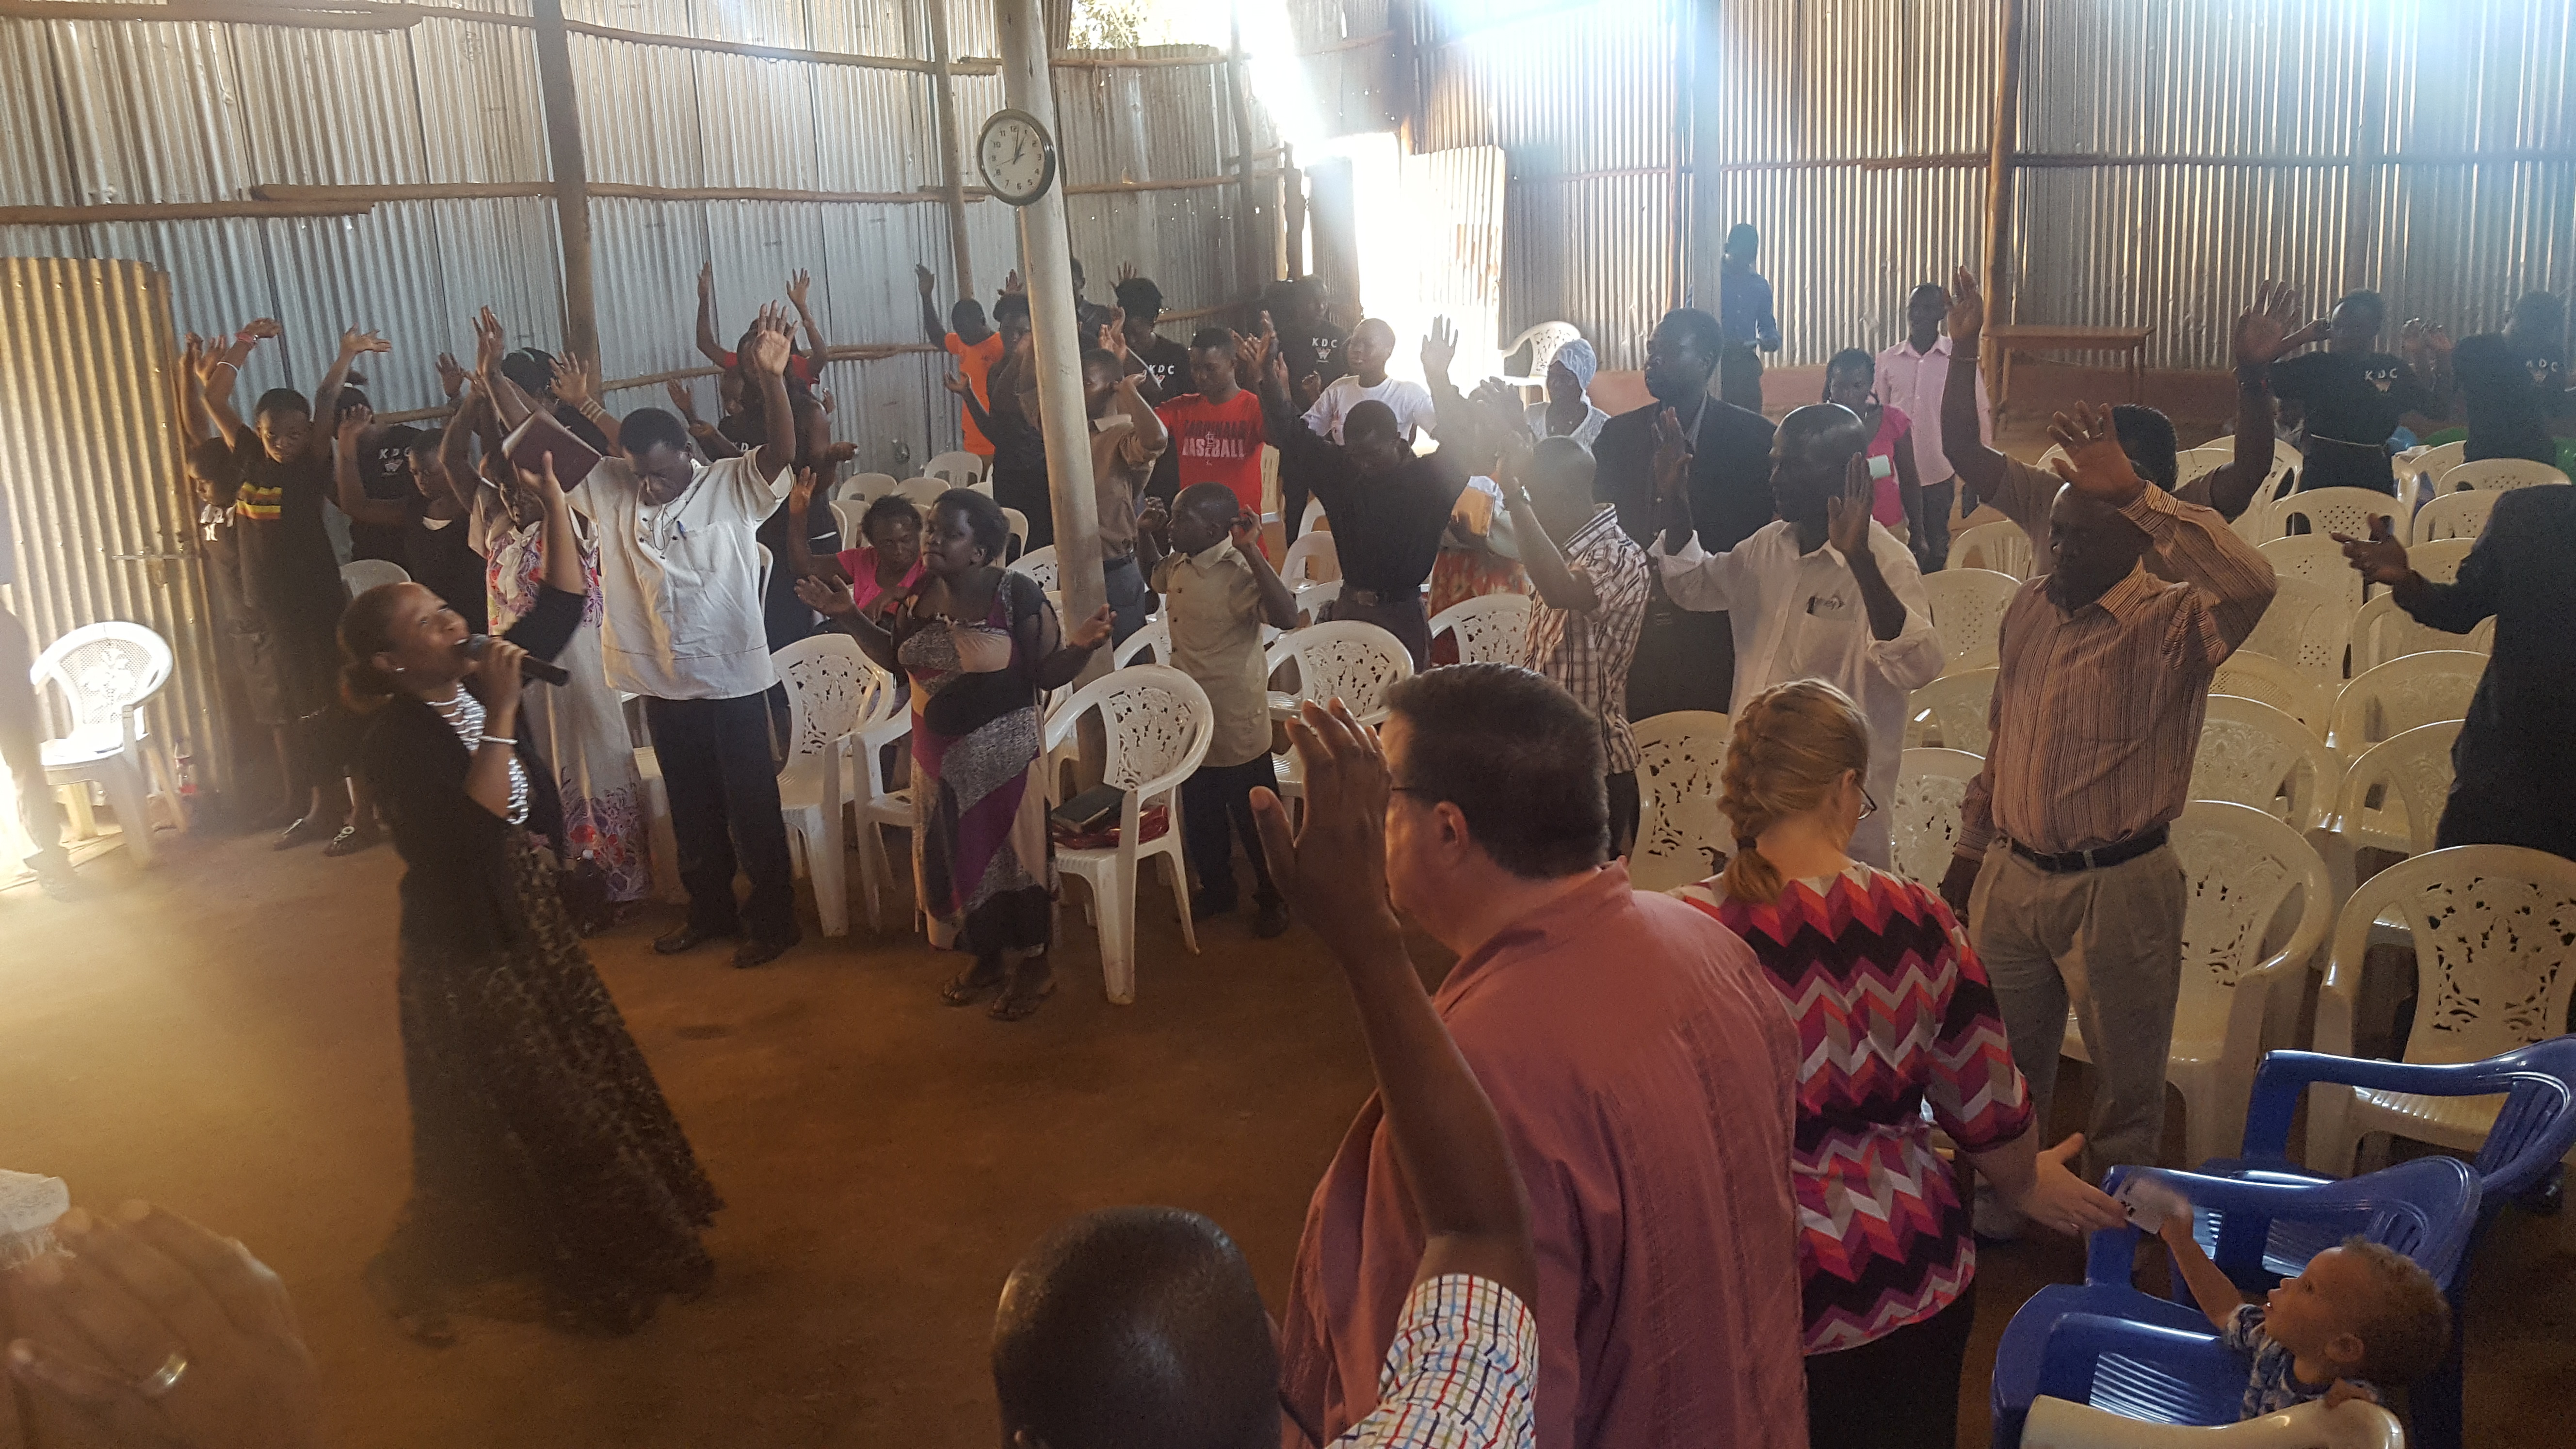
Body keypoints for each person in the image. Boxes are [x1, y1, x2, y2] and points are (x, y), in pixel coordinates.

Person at [1277, 663, 1807, 1449]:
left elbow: (1489, 1403)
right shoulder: (1710, 944)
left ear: (1447, 830)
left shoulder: (1471, 1083)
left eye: (1381, 796)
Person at [1671, 679, 2125, 1449]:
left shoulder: (1684, 931)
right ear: (1846, 789)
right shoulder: (1921, 917)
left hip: (1748, 1290)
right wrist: (2023, 1180)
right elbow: (1986, 1105)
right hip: (1912, 1274)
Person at [337, 451, 718, 1340]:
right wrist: (505, 712)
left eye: (447, 609)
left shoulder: (469, 678)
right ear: (392, 662)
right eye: (430, 622)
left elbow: (559, 606)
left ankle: (623, 1245)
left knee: (580, 1080)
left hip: (527, 916)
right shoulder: (396, 742)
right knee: (539, 1113)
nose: (454, 622)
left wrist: (552, 501)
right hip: (467, 947)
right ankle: (534, 1265)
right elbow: (468, 836)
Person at [1936, 402, 2275, 1206]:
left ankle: (2118, 1232)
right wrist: (1969, 856)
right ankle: (2006, 1209)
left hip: (2118, 886)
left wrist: (2136, 494)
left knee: (2126, 1087)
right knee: (2004, 1071)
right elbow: (2003, 739)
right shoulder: (2028, 606)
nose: (2060, 550)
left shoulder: (2171, 623)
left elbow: (2252, 583)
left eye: (2082, 538)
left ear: (2134, 542)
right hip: (2014, 874)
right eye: (2056, 534)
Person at [492, 304, 804, 968]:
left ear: (688, 453)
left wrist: (775, 378)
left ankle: (774, 922)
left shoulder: (730, 486)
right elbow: (535, 437)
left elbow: (782, 453)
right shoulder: (615, 486)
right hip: (661, 679)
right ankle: (709, 911)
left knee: (751, 806)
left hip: (731, 680)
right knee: (691, 807)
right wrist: (494, 375)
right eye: (640, 473)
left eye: (661, 472)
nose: (651, 486)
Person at [797, 490, 1113, 1020]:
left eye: (950, 533)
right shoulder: (917, 594)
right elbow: (897, 661)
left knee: (1016, 863)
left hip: (1005, 767)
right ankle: (984, 958)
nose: (933, 540)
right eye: (932, 529)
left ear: (980, 550)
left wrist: (1082, 647)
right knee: (956, 859)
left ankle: (1035, 966)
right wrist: (849, 616)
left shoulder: (1014, 595)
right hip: (937, 765)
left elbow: (1046, 673)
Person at [1650, 404, 1943, 869]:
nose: (1775, 479)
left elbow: (1919, 667)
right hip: (1749, 813)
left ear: (1850, 472)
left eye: (1793, 466)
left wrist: (1859, 560)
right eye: (1775, 464)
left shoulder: (1887, 561)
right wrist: (1676, 499)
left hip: (1830, 828)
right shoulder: (1767, 546)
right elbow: (1691, 585)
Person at [456, 329, 655, 917]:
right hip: (524, 671)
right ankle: (564, 878)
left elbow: (544, 443)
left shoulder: (577, 512)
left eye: (523, 480)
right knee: (542, 767)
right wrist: (488, 384)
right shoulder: (499, 529)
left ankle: (618, 879)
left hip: (582, 662)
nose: (514, 491)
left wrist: (499, 383)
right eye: (505, 484)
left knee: (597, 757)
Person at [1943, 269, 2273, 552]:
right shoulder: (2051, 500)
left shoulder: (2176, 520)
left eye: (2120, 478)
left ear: (2161, 488)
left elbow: (2250, 471)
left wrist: (2252, 375)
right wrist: (1964, 348)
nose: (2101, 490)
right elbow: (1962, 448)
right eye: (2094, 469)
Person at [201, 319, 378, 847]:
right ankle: (323, 809)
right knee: (304, 715)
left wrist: (345, 354)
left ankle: (363, 816)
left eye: (295, 434)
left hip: (315, 607)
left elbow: (324, 398)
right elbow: (214, 396)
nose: (283, 443)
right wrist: (245, 342)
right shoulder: (248, 456)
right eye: (272, 434)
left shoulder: (311, 464)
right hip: (274, 613)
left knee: (339, 707)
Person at [2335, 489, 2576, 860]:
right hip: (2504, 762)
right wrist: (2406, 581)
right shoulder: (2530, 514)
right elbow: (2463, 608)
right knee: (2460, 888)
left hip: (2517, 759)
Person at [1593, 307, 1776, 719]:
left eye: (1669, 351)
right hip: (1634, 625)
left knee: (1712, 738)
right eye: (1651, 350)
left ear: (1706, 362)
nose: (1653, 360)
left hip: (1716, 627)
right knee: (1644, 738)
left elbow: (1759, 537)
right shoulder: (1618, 437)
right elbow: (1601, 525)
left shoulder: (1752, 439)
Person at [1135, 483, 1298, 937]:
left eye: (1180, 519)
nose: (1171, 526)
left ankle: (1273, 894)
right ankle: (1218, 887)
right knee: (1202, 809)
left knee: (1253, 813)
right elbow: (1154, 577)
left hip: (1234, 714)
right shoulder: (1182, 562)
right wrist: (1146, 535)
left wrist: (1252, 551)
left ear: (1211, 529)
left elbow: (1287, 617)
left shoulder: (1237, 571)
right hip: (1192, 711)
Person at [1260, 328, 1469, 669]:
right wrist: (1268, 380)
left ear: (1398, 441)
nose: (1364, 465)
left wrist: (1439, 380)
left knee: (1404, 703)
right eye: (1356, 455)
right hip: (1349, 609)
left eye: (1373, 455)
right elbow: (1292, 434)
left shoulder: (1428, 480)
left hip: (1402, 615)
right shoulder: (1342, 471)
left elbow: (1464, 445)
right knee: (1341, 700)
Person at [1494, 433, 1649, 854]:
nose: (1531, 509)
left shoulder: (1618, 555)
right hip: (1548, 757)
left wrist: (1513, 496)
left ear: (1559, 497)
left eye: (1535, 497)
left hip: (1592, 767)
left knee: (1584, 889)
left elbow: (1560, 590)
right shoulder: (1565, 551)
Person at [2158, 1213, 2450, 1420]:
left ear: (2343, 1347)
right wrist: (2183, 1243)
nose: (2286, 1282)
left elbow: (2373, 1425)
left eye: (2308, 1287)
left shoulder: (2346, 1403)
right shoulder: (2275, 1343)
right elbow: (2226, 1310)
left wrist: (2359, 1416)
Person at [2267, 289, 2447, 495]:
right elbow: (2254, 371)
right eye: (2338, 326)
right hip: (2320, 478)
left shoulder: (2391, 369)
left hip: (2374, 478)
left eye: (2355, 327)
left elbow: (2437, 409)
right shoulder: (2316, 366)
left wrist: (2439, 357)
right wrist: (2301, 338)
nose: (2343, 334)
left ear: (2375, 329)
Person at [1875, 281, 1992, 571]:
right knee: (1895, 546)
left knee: (1937, 546)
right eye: (1912, 308)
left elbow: (1979, 412)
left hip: (1939, 471)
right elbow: (1878, 419)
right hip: (1895, 475)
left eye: (1927, 308)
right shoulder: (1887, 361)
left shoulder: (1958, 357)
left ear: (1942, 314)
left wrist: (1978, 474)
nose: (1917, 315)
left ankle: (1933, 595)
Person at [1085, 324, 1170, 642]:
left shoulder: (1121, 435)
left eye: (1086, 383)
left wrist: (1129, 392)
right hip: (1077, 564)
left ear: (1111, 387)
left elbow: (1156, 440)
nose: (1077, 391)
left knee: (1125, 653)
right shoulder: (1080, 430)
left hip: (1114, 566)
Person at [1154, 327, 1272, 537]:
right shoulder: (1180, 408)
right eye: (1195, 368)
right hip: (1193, 534)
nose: (1201, 376)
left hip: (1241, 534)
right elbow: (1148, 431)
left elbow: (1279, 436)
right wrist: (1125, 385)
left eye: (1211, 369)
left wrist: (1264, 377)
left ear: (1232, 364)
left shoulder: (1253, 407)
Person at [1821, 347, 1923, 549]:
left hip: (1889, 526)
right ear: (1830, 386)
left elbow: (1910, 480)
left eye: (1857, 385)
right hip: (1839, 530)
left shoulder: (1893, 421)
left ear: (1870, 384)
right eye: (1839, 386)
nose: (1848, 394)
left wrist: (1919, 533)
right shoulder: (1820, 426)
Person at [918, 261, 1006, 463]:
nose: (964, 338)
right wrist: (926, 297)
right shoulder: (963, 341)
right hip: (972, 438)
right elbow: (938, 337)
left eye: (967, 333)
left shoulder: (1002, 345)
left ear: (983, 321)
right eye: (960, 334)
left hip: (997, 440)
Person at [1302, 318, 1439, 445]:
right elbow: (1304, 432)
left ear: (1388, 351)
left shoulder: (1408, 394)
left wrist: (1438, 377)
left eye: (1368, 344)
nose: (1357, 349)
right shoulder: (1338, 389)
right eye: (1354, 343)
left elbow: (1444, 434)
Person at [2451, 332, 2562, 467]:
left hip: (2535, 459)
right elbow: (2450, 399)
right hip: (2484, 459)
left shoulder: (2552, 353)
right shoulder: (2472, 348)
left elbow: (2555, 405)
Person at [1717, 223, 1781, 412]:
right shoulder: (1709, 282)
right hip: (1716, 366)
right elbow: (1694, 319)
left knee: (1752, 420)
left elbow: (1766, 324)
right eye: (1740, 254)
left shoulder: (1759, 285)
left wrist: (1771, 339)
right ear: (1727, 248)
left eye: (1750, 255)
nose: (1745, 261)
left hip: (1746, 367)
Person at [1113, 271, 1193, 401]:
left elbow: (1162, 394)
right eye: (1126, 333)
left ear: (1153, 322)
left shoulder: (1176, 355)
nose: (1131, 341)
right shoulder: (1114, 357)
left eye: (1137, 334)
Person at [1523, 337, 1610, 450]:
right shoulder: (1532, 415)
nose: (1554, 384)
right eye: (1551, 376)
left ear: (1581, 382)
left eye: (1564, 378)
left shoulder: (1602, 426)